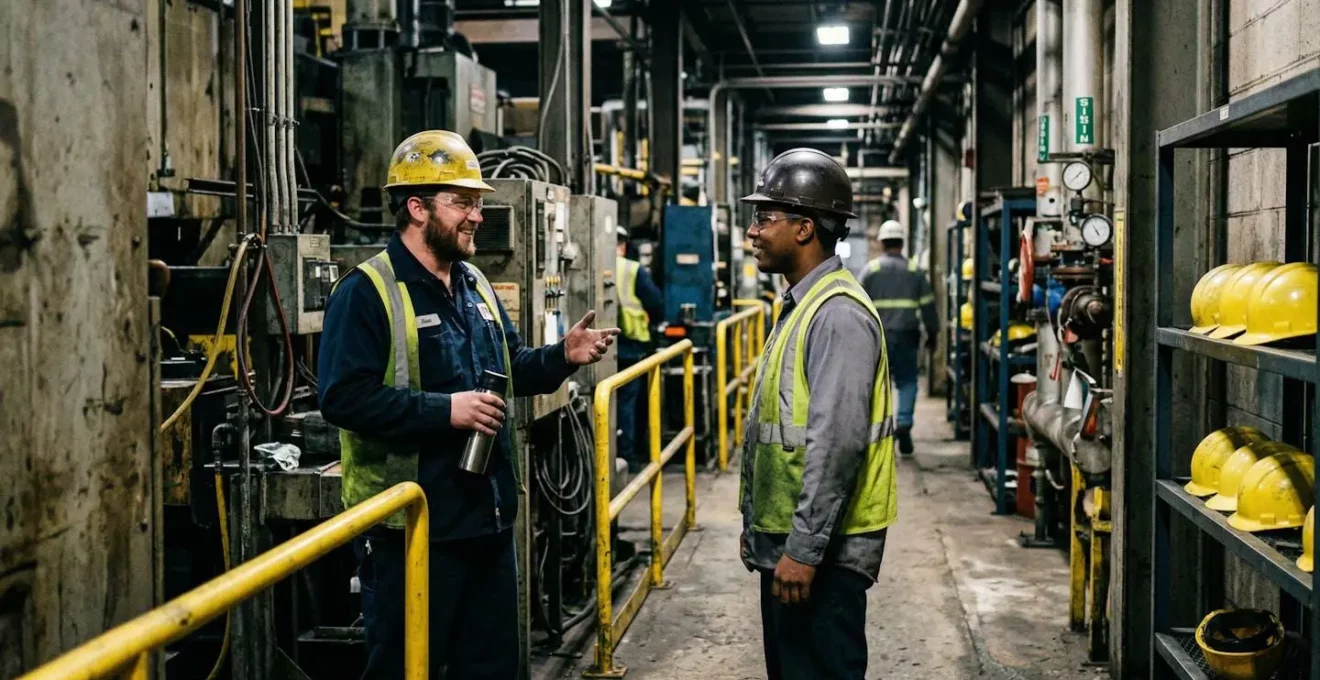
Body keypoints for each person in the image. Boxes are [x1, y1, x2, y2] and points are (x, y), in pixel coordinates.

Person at [317, 130, 619, 680]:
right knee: (409, 668)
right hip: (413, 531)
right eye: (463, 203)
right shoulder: (367, 291)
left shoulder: (474, 283)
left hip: (488, 521)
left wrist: (561, 357)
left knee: (494, 666)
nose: (477, 216)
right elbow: (341, 398)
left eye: (478, 203)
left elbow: (509, 368)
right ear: (416, 207)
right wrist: (445, 411)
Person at [738, 148, 898, 679]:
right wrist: (756, 527)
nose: (752, 232)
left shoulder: (837, 315)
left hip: (822, 553)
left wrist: (804, 551)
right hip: (791, 541)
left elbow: (836, 445)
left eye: (764, 218)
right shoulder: (802, 303)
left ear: (804, 228)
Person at [859, 219, 938, 456]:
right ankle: (903, 423)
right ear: (902, 243)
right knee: (907, 382)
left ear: (882, 243)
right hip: (907, 336)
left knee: (879, 384)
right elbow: (928, 306)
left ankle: (880, 434)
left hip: (877, 338)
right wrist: (932, 334)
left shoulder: (870, 271)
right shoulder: (914, 271)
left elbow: (857, 306)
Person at [614, 226, 664, 471]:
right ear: (623, 245)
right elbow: (655, 301)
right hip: (630, 345)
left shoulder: (588, 263)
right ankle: (628, 455)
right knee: (627, 402)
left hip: (598, 348)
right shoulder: (631, 269)